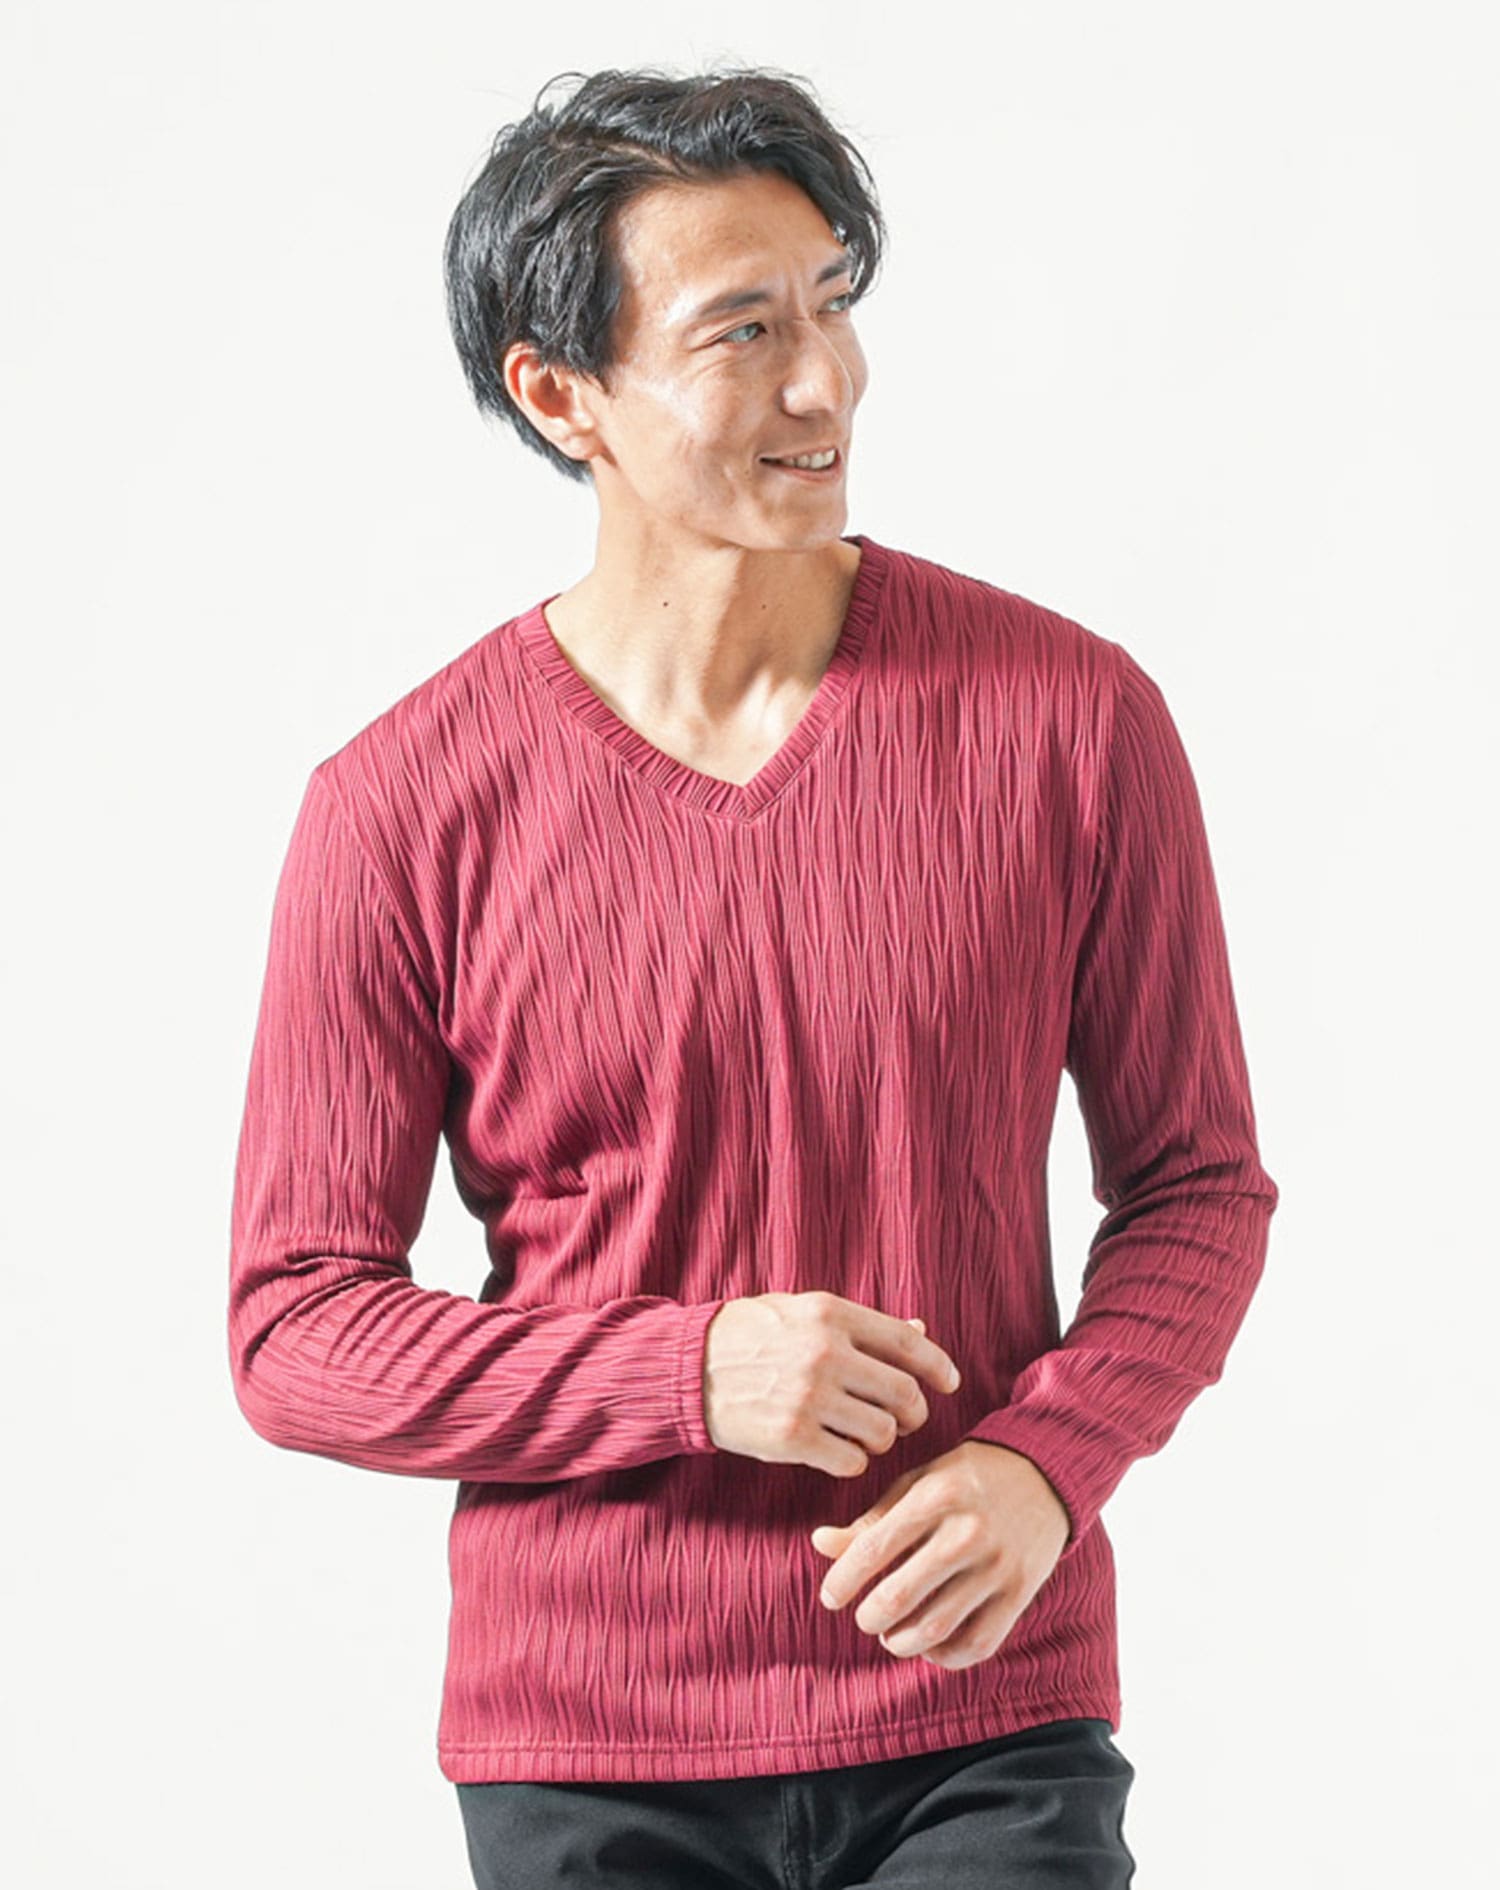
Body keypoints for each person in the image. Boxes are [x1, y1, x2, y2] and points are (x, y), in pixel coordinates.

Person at [228, 62, 1279, 1890]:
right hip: (587, 1739)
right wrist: (687, 1374)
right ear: (562, 396)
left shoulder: (1074, 722)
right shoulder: (400, 805)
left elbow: (1198, 1188)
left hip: (986, 1708)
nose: (825, 382)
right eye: (744, 330)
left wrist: (1048, 1461)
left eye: (832, 303)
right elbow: (296, 1329)